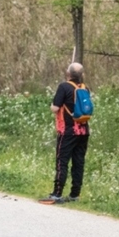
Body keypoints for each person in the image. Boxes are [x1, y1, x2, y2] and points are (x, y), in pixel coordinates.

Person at [40, 63, 90, 205]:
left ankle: (57, 193)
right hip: (84, 131)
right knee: (78, 162)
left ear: (68, 73)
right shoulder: (85, 88)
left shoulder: (64, 87)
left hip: (68, 131)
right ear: (81, 75)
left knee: (62, 161)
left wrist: (52, 106)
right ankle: (75, 194)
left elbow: (56, 108)